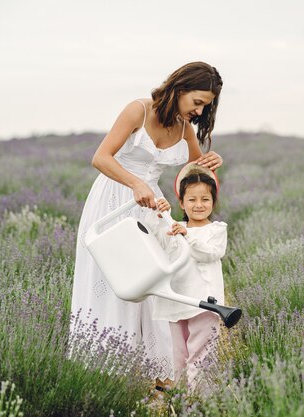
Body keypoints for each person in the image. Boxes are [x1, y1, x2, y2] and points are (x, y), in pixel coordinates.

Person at [69, 62, 224, 383]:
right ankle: (108, 370)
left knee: (154, 283)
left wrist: (212, 162)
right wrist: (135, 184)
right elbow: (101, 158)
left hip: (152, 207)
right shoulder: (138, 110)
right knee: (115, 282)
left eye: (205, 106)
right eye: (197, 101)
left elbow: (195, 168)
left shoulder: (184, 128)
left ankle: (154, 374)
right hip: (113, 201)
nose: (199, 110)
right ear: (180, 88)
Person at [145, 162, 227, 392]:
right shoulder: (175, 227)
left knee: (200, 355)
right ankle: (181, 398)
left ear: (213, 202)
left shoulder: (217, 230)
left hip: (204, 303)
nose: (199, 205)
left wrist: (187, 235)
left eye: (205, 199)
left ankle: (200, 400)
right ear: (181, 202)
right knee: (178, 355)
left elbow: (211, 253)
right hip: (176, 301)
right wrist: (159, 214)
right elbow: (156, 242)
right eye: (191, 200)